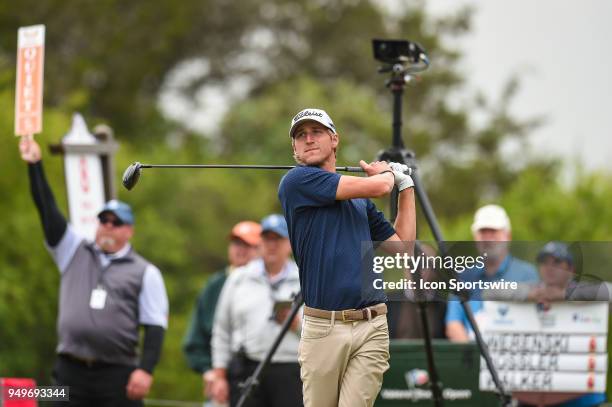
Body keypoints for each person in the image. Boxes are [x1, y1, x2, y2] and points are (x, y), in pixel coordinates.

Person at [278, 108, 416, 407]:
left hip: (372, 325)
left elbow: (403, 247)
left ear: (334, 139)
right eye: (301, 135)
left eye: (316, 132)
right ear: (294, 149)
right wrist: (389, 174)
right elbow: (379, 186)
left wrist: (406, 187)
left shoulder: (358, 202)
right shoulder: (297, 182)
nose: (308, 139)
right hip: (323, 328)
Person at [19, 136, 168, 407]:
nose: (108, 226)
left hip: (118, 374)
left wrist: (145, 369)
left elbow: (155, 325)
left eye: (116, 222)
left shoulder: (146, 272)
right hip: (69, 371)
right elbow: (47, 213)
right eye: (104, 220)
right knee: (39, 399)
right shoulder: (74, 250)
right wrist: (35, 165)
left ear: (129, 231)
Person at [211, 214, 302, 407]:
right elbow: (221, 329)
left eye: (278, 239)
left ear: (290, 244)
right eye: (267, 239)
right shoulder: (239, 278)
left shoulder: (304, 279)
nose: (272, 245)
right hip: (248, 367)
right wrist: (219, 375)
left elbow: (322, 330)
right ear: (259, 243)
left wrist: (298, 325)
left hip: (291, 371)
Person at [183, 220, 262, 405]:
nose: (240, 249)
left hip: (262, 379)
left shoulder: (270, 284)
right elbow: (195, 339)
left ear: (261, 249)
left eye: (248, 245)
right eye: (236, 243)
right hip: (222, 381)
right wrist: (209, 371)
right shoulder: (215, 285)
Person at [445, 204, 538, 342]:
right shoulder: (462, 277)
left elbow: (535, 321)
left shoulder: (527, 275)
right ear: (475, 237)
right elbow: (453, 324)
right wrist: (475, 357)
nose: (488, 238)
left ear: (508, 235)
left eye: (493, 232)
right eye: (483, 232)